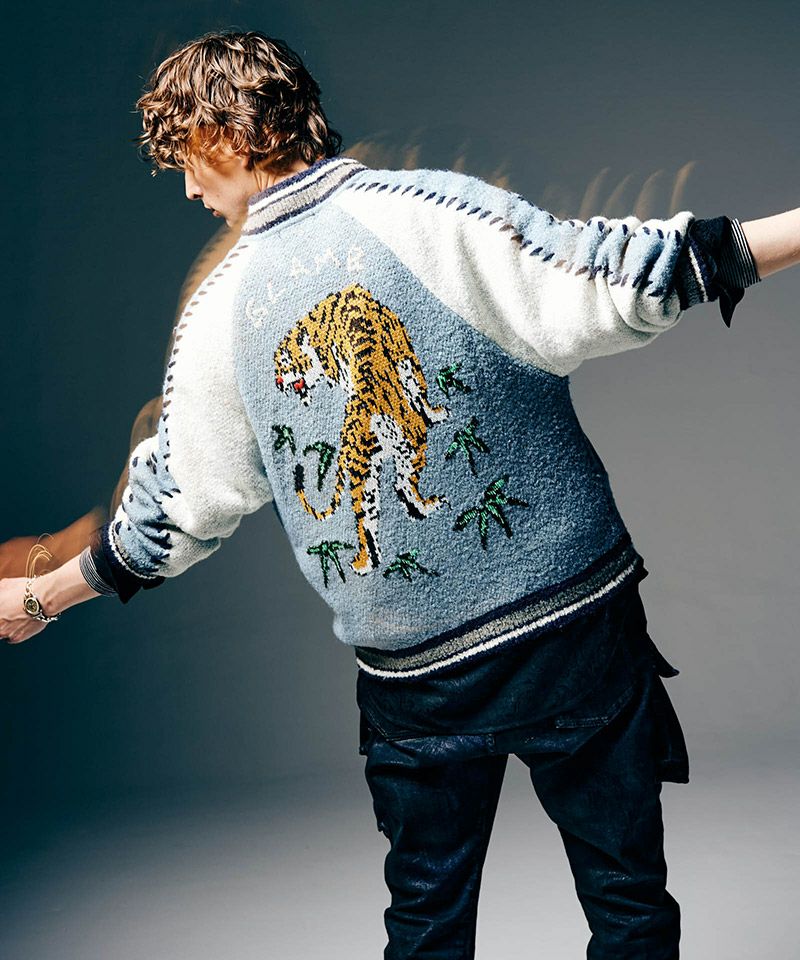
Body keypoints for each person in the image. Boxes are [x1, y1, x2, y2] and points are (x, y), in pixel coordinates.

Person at [0, 29, 795, 960]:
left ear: (229, 133)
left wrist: (41, 597)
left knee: (426, 928)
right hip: (572, 630)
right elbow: (626, 274)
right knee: (630, 906)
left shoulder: (222, 314)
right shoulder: (434, 212)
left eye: (186, 158)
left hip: (423, 681)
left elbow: (174, 512)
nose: (186, 188)